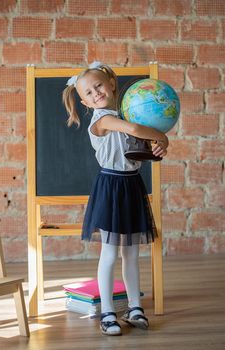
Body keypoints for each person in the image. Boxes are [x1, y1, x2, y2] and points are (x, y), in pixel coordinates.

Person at [62, 62, 168, 336]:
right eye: (88, 92)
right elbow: (133, 129)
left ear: (111, 84)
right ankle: (107, 312)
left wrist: (158, 146)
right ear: (84, 101)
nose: (96, 92)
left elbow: (140, 148)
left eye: (99, 85)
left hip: (132, 185)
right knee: (109, 253)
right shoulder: (102, 120)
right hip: (110, 187)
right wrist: (161, 135)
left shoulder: (125, 113)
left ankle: (135, 307)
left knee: (131, 253)